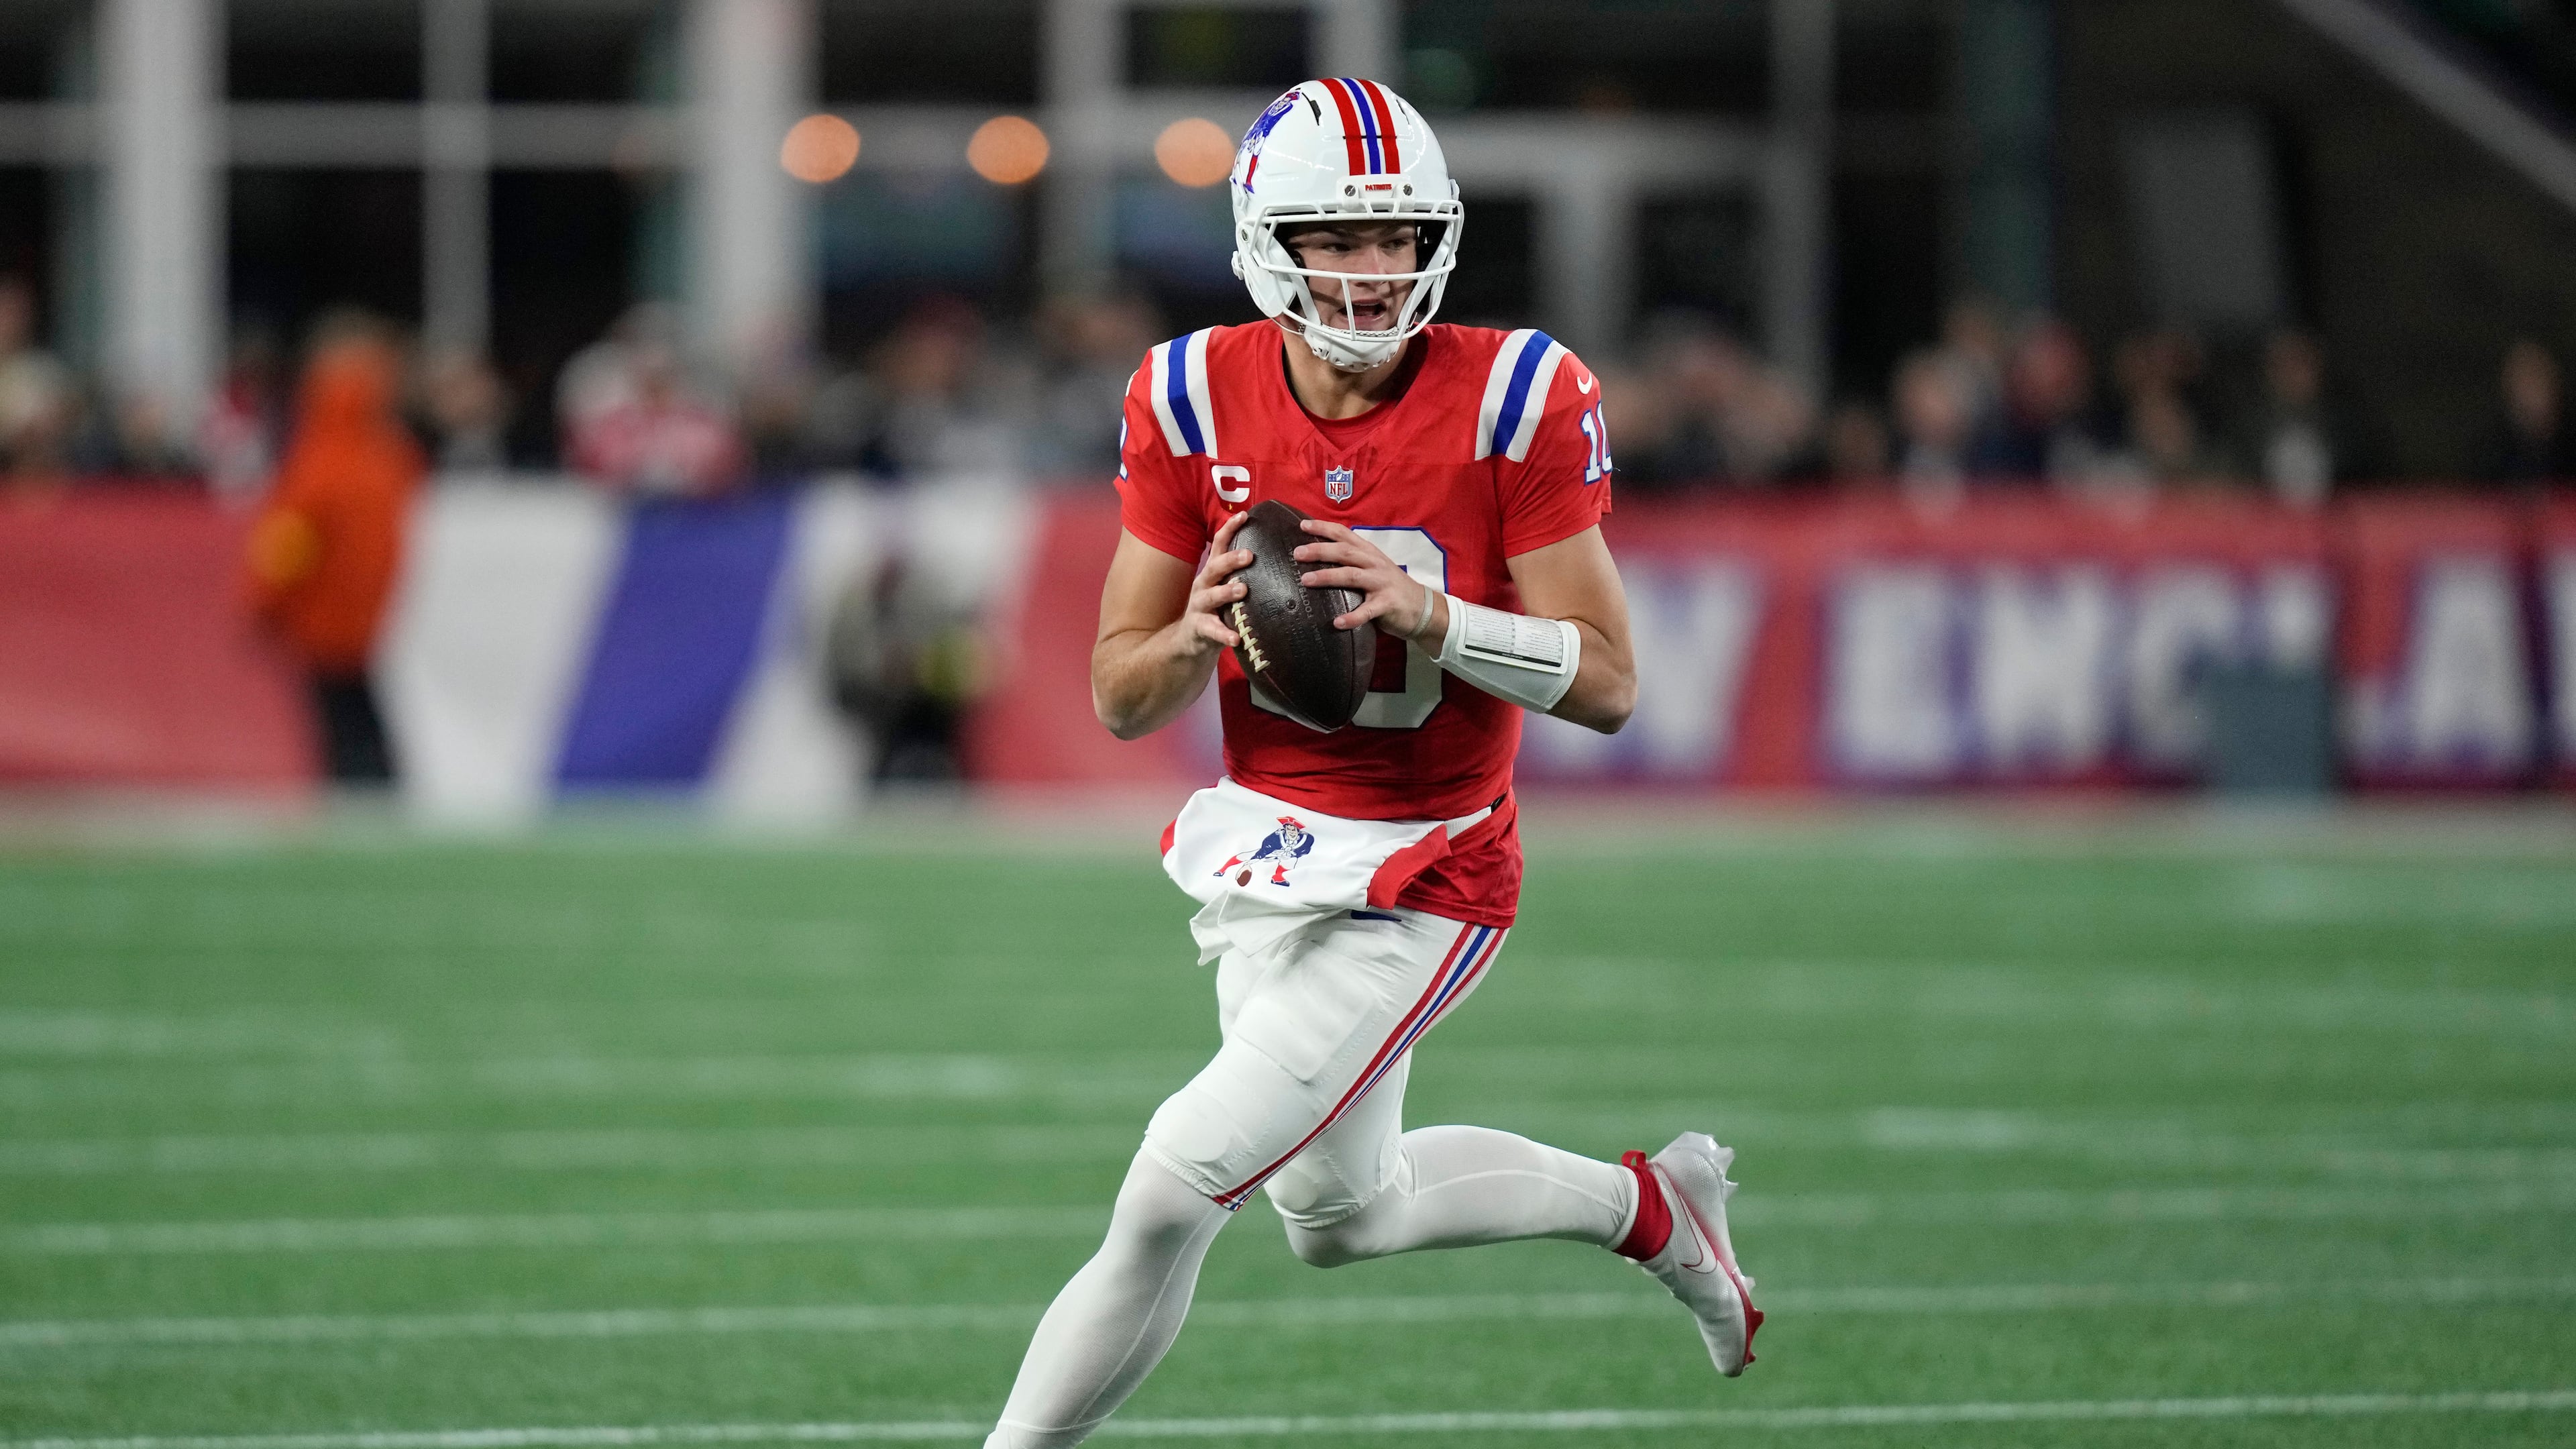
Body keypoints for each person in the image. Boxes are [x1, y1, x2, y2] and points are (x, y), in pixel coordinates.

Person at [978, 80, 1760, 1449]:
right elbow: (1117, 688)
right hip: (1272, 843)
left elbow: (1615, 683)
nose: (1372, 267)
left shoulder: (1518, 392)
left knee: (1172, 1191)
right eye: (1338, 235)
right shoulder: (1188, 392)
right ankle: (1652, 1209)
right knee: (1341, 1218)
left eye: (1397, 236)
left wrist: (1439, 618)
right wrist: (1194, 634)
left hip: (1429, 865)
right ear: (1267, 240)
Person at [244, 317, 424, 783]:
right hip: (381, 624)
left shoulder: (318, 459)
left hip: (323, 626)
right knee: (365, 726)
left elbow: (286, 544)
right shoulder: (393, 456)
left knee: (343, 734)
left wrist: (261, 604)